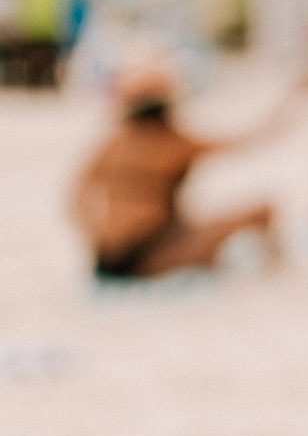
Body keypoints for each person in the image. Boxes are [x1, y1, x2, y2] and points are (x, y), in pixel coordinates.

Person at [70, 62, 293, 278]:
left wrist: (101, 238)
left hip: (106, 259)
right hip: (150, 256)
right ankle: (278, 273)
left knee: (187, 225)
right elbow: (249, 140)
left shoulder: (113, 144)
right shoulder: (175, 143)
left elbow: (76, 200)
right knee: (262, 212)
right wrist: (293, 102)